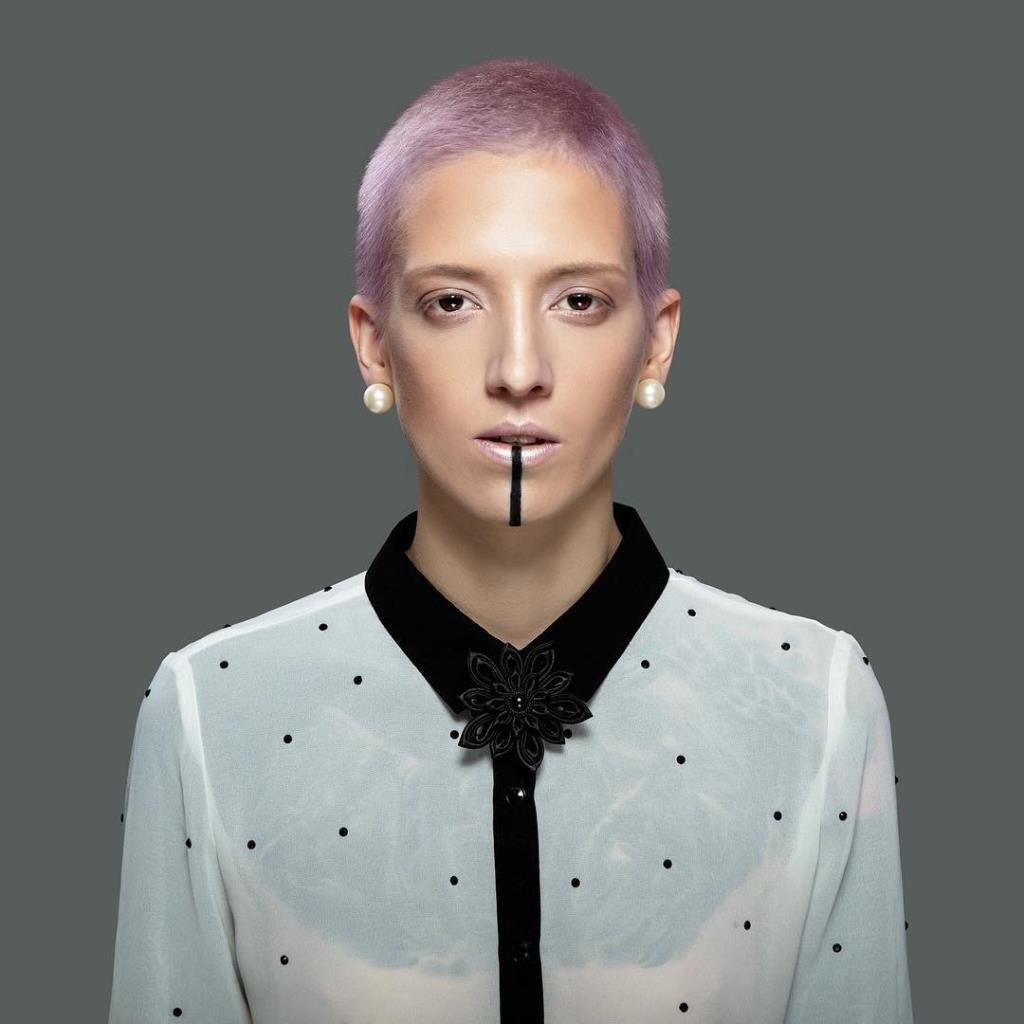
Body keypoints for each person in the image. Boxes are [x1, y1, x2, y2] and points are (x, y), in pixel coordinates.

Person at [107, 57, 914, 1023]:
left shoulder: (818, 699)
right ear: (374, 344)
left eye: (579, 301)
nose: (519, 369)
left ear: (657, 340)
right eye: (453, 301)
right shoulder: (207, 709)